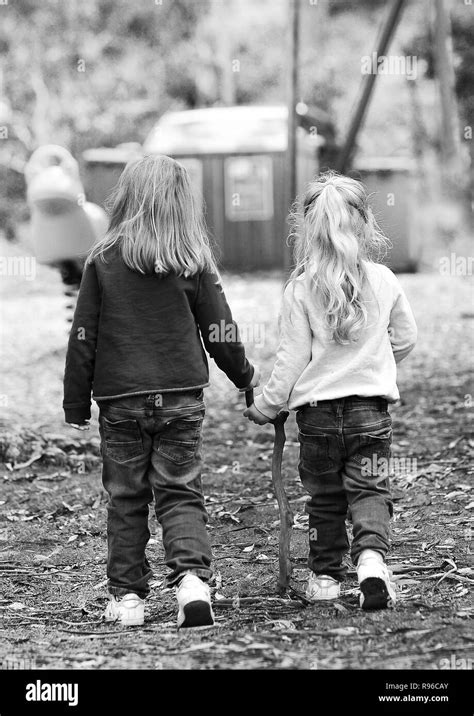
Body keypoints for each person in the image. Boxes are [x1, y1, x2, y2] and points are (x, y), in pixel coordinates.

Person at [63, 155, 258, 628]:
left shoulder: (104, 260)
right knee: (181, 492)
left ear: (126, 199)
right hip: (180, 399)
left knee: (126, 498)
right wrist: (245, 377)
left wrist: (76, 400)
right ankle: (193, 583)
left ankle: (128, 599)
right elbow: (220, 329)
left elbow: (83, 333)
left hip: (121, 400)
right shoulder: (191, 259)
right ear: (181, 204)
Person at [244, 171, 417, 610]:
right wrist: (376, 366)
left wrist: (266, 404)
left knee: (324, 499)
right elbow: (407, 337)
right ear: (363, 223)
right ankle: (372, 564)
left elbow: (292, 360)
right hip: (370, 413)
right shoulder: (384, 280)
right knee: (371, 489)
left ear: (309, 231)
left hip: (318, 418)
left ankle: (325, 577)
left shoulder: (301, 288)